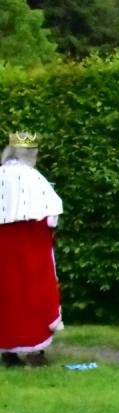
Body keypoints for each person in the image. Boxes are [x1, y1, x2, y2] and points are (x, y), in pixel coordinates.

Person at [0, 132, 62, 367]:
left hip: (3, 250)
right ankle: (35, 351)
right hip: (31, 247)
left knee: (7, 295)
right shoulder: (34, 178)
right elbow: (51, 216)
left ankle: (8, 352)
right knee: (33, 294)